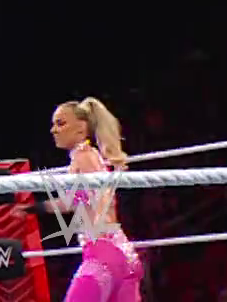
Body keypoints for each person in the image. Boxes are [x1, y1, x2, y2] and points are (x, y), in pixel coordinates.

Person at [48, 97, 143, 301]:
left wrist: (30, 207)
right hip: (124, 256)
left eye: (60, 123)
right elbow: (76, 200)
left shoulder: (82, 157)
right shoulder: (93, 157)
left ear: (81, 128)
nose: (53, 130)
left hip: (103, 257)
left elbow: (87, 199)